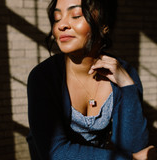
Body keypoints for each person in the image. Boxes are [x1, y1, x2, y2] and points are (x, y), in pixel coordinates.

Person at [26, 0, 156, 159]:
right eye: (57, 18)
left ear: (104, 26)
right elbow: (55, 152)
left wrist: (127, 86)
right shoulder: (43, 77)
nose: (62, 25)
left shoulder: (123, 72)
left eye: (75, 15)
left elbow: (134, 146)